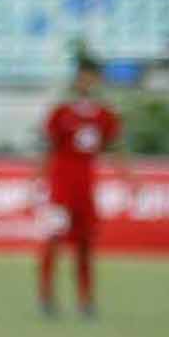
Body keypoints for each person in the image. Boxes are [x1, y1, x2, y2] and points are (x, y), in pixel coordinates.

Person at [39, 56, 127, 319]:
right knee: (53, 242)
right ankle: (46, 297)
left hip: (86, 190)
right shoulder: (61, 113)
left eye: (92, 77)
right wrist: (36, 181)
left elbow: (115, 148)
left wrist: (129, 178)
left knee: (86, 245)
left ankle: (85, 300)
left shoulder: (105, 115)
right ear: (77, 79)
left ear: (97, 80)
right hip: (60, 188)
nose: (87, 82)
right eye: (83, 76)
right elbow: (49, 149)